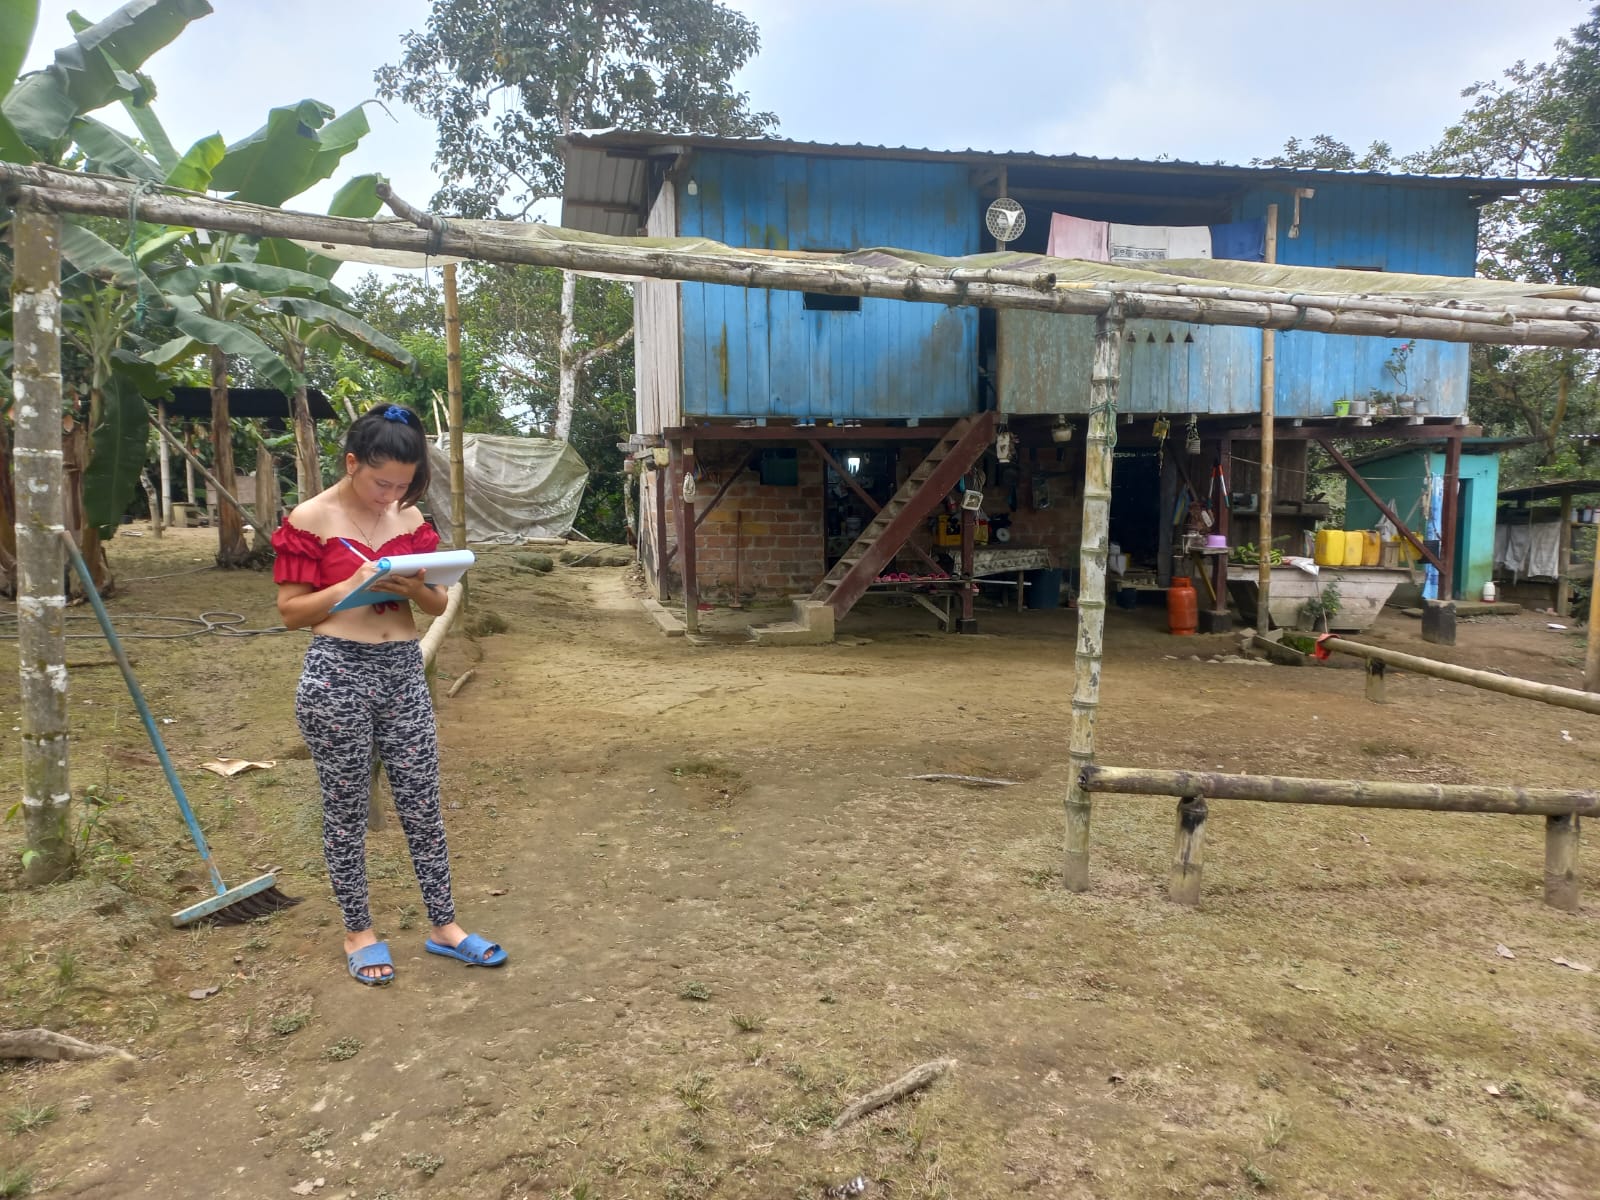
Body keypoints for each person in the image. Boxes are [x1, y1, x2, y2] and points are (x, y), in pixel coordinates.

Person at [271, 403, 506, 985]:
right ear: (352, 463)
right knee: (346, 808)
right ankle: (359, 931)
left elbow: (437, 603)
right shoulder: (310, 517)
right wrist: (351, 583)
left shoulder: (409, 517)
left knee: (422, 804)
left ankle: (444, 926)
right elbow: (290, 612)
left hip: (402, 669)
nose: (392, 496)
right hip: (337, 673)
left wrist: (410, 586)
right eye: (383, 483)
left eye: (403, 485)